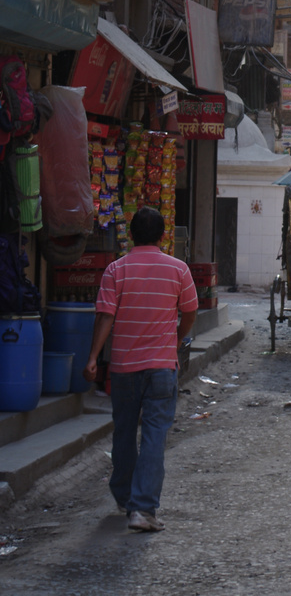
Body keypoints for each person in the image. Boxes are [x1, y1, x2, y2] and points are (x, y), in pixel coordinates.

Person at [83, 207, 198, 533]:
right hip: (162, 367)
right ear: (163, 236)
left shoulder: (115, 270)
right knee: (153, 437)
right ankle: (143, 510)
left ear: (130, 234)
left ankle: (123, 498)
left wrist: (93, 358)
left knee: (123, 432)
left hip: (123, 367)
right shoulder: (178, 270)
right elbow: (190, 313)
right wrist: (176, 340)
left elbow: (105, 316)